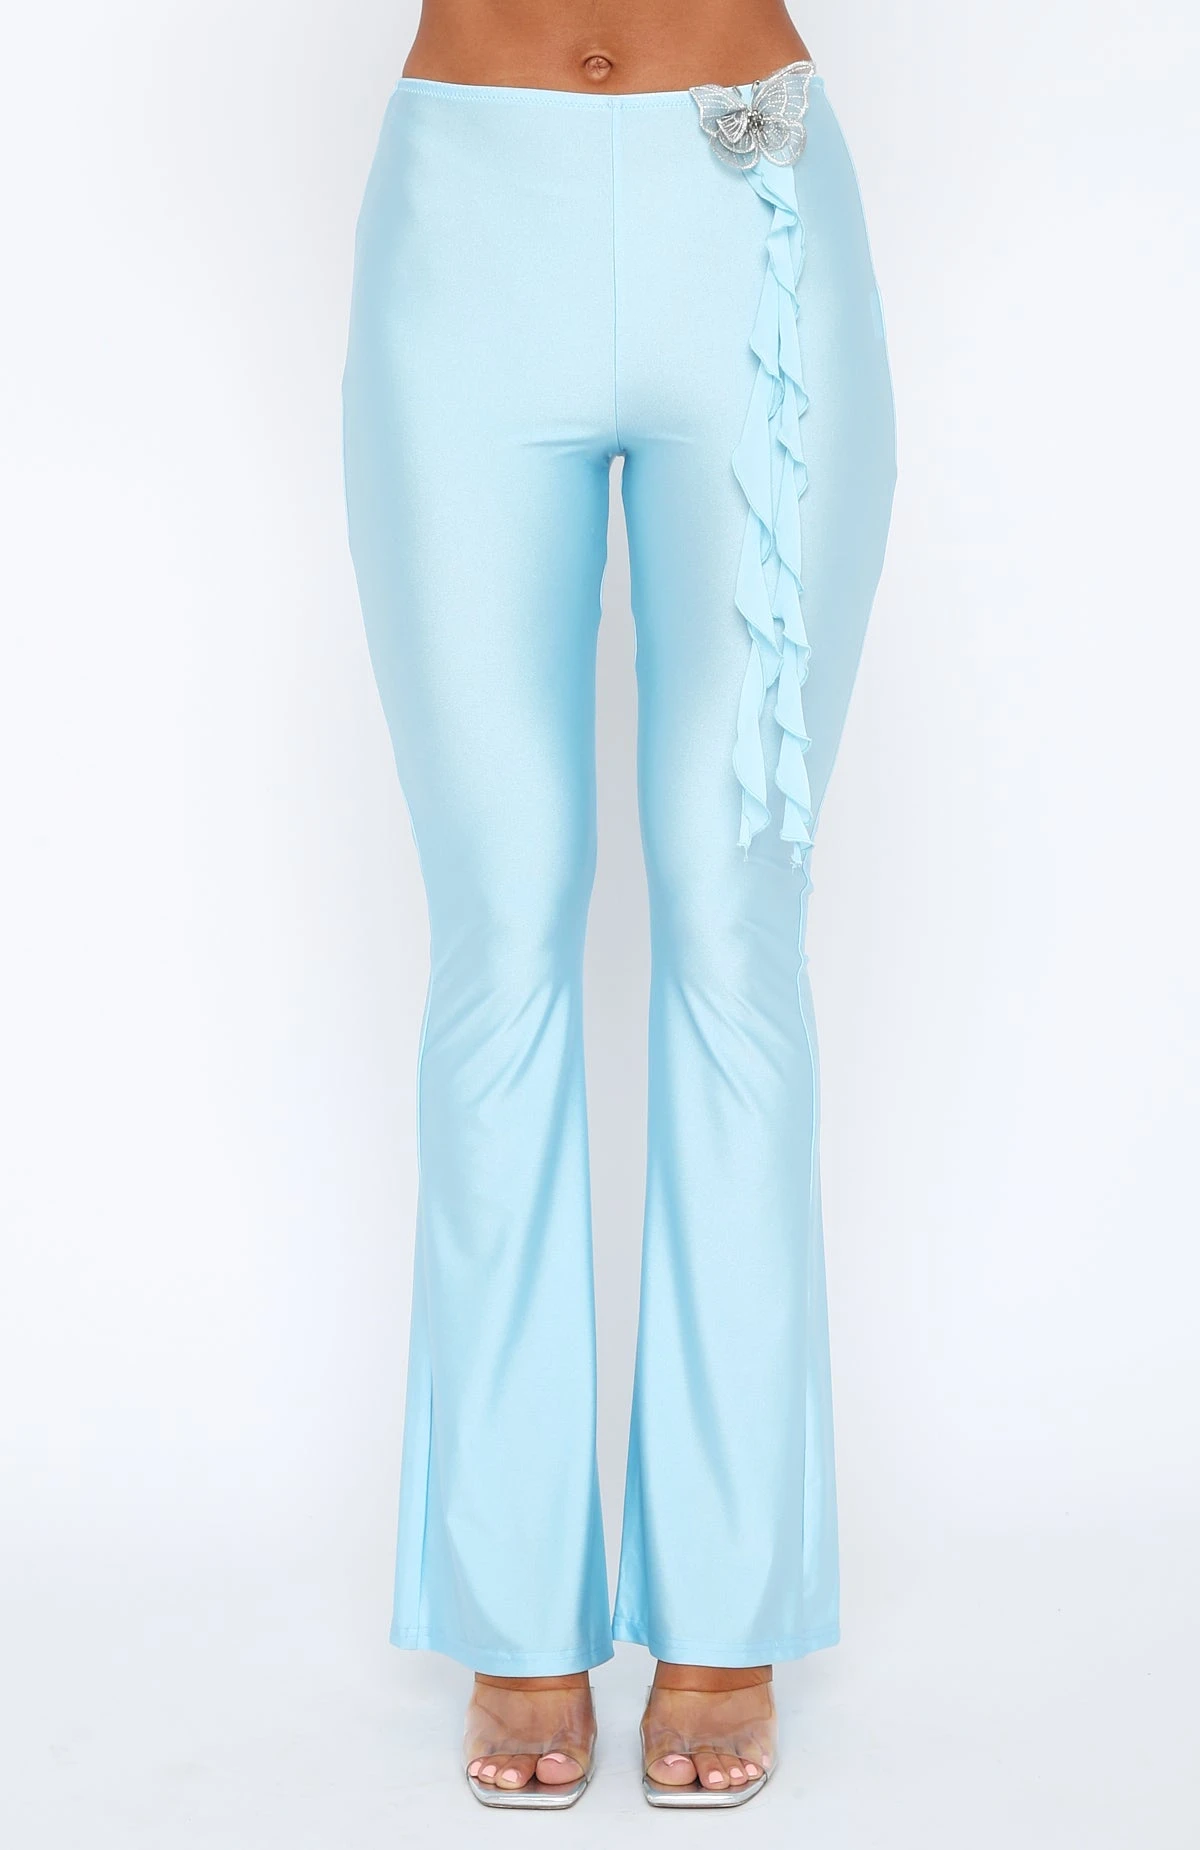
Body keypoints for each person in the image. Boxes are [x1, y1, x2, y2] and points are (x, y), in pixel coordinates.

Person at [341, 0, 896, 1810]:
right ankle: (515, 1603)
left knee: (733, 928)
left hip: (746, 211)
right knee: (503, 928)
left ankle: (728, 1603)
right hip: (470, 212)